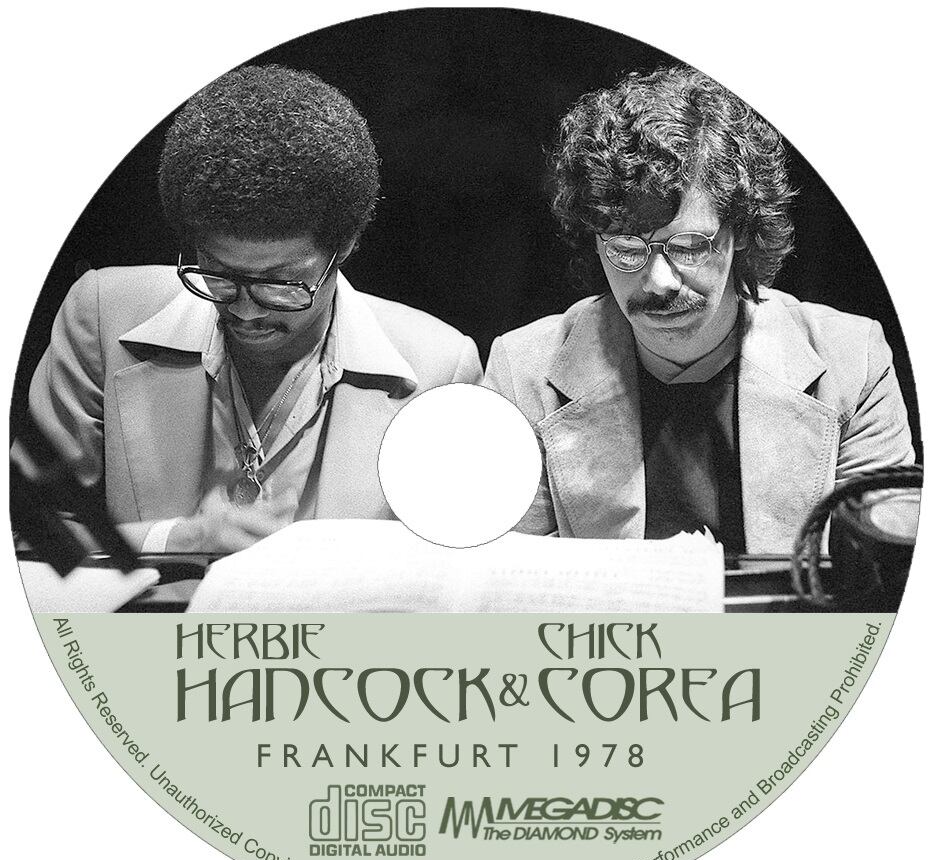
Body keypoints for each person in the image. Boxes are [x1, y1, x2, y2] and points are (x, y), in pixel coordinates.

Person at [20, 65, 481, 552]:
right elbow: (27, 536)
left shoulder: (439, 368)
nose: (246, 312)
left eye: (280, 283)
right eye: (219, 274)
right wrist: (178, 538)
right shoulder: (102, 316)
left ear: (345, 247)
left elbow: (449, 572)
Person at [483, 66, 914, 552]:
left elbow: (876, 575)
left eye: (688, 246)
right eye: (626, 249)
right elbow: (508, 581)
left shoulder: (852, 363)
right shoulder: (522, 372)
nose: (658, 282)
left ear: (741, 232)